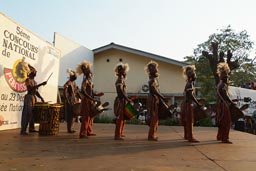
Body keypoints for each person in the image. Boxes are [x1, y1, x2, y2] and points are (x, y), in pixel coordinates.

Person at [77, 61, 104, 139]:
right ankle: (82, 134)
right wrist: (90, 98)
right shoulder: (85, 79)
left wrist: (96, 95)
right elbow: (83, 91)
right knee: (86, 117)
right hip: (86, 100)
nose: (88, 71)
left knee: (90, 116)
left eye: (86, 69)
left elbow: (90, 92)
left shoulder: (89, 80)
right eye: (84, 69)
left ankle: (88, 131)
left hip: (89, 100)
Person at [20, 63, 47, 135]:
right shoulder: (28, 80)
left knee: (32, 114)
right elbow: (30, 89)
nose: (36, 73)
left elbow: (36, 91)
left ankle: (31, 128)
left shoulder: (34, 81)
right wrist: (41, 84)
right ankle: (23, 130)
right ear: (31, 73)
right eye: (34, 72)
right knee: (27, 114)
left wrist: (41, 98)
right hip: (29, 97)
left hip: (33, 97)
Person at [145, 61, 166, 141]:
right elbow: (154, 90)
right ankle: (151, 136)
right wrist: (161, 97)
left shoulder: (153, 79)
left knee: (155, 118)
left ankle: (153, 134)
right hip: (153, 99)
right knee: (154, 117)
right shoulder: (152, 80)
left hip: (154, 99)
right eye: (155, 68)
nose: (157, 70)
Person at [181, 65, 201, 142]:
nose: (195, 75)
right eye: (194, 73)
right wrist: (197, 103)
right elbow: (191, 95)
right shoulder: (190, 84)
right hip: (188, 104)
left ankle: (186, 135)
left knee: (187, 121)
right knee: (189, 121)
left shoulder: (188, 83)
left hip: (186, 104)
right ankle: (190, 137)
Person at [113, 63, 132, 140]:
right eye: (124, 71)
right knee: (120, 118)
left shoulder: (121, 79)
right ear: (121, 71)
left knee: (123, 119)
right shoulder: (120, 79)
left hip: (122, 99)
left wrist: (126, 98)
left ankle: (120, 133)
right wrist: (126, 98)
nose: (125, 72)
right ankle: (117, 135)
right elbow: (120, 90)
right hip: (121, 100)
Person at [216, 62, 234, 143]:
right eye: (225, 74)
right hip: (224, 105)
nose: (227, 76)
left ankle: (220, 136)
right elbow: (225, 96)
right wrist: (231, 103)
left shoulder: (220, 83)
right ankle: (225, 138)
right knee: (226, 122)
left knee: (221, 121)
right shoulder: (222, 84)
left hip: (221, 104)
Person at [63, 69, 81, 133]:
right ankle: (69, 129)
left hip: (73, 99)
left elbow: (76, 91)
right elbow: (64, 90)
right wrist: (67, 99)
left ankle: (71, 128)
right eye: (75, 75)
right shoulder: (68, 82)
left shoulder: (74, 83)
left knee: (74, 114)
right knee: (70, 114)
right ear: (72, 76)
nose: (76, 76)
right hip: (70, 99)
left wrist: (81, 98)